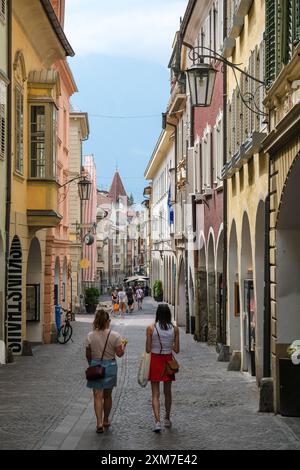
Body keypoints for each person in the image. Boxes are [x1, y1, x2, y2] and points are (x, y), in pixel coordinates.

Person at [86, 309, 127, 433]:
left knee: (97, 395)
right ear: (108, 321)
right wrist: (124, 346)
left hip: (95, 365)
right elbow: (119, 354)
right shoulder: (115, 335)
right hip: (110, 366)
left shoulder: (90, 336)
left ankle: (98, 423)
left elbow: (88, 354)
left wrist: (92, 364)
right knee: (107, 396)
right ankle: (106, 419)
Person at [146, 304, 180, 432]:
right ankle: (167, 418)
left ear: (157, 314)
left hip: (155, 360)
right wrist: (168, 344)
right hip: (168, 362)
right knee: (168, 392)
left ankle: (157, 421)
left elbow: (148, 349)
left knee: (155, 393)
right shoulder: (175, 329)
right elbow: (177, 349)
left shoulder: (151, 328)